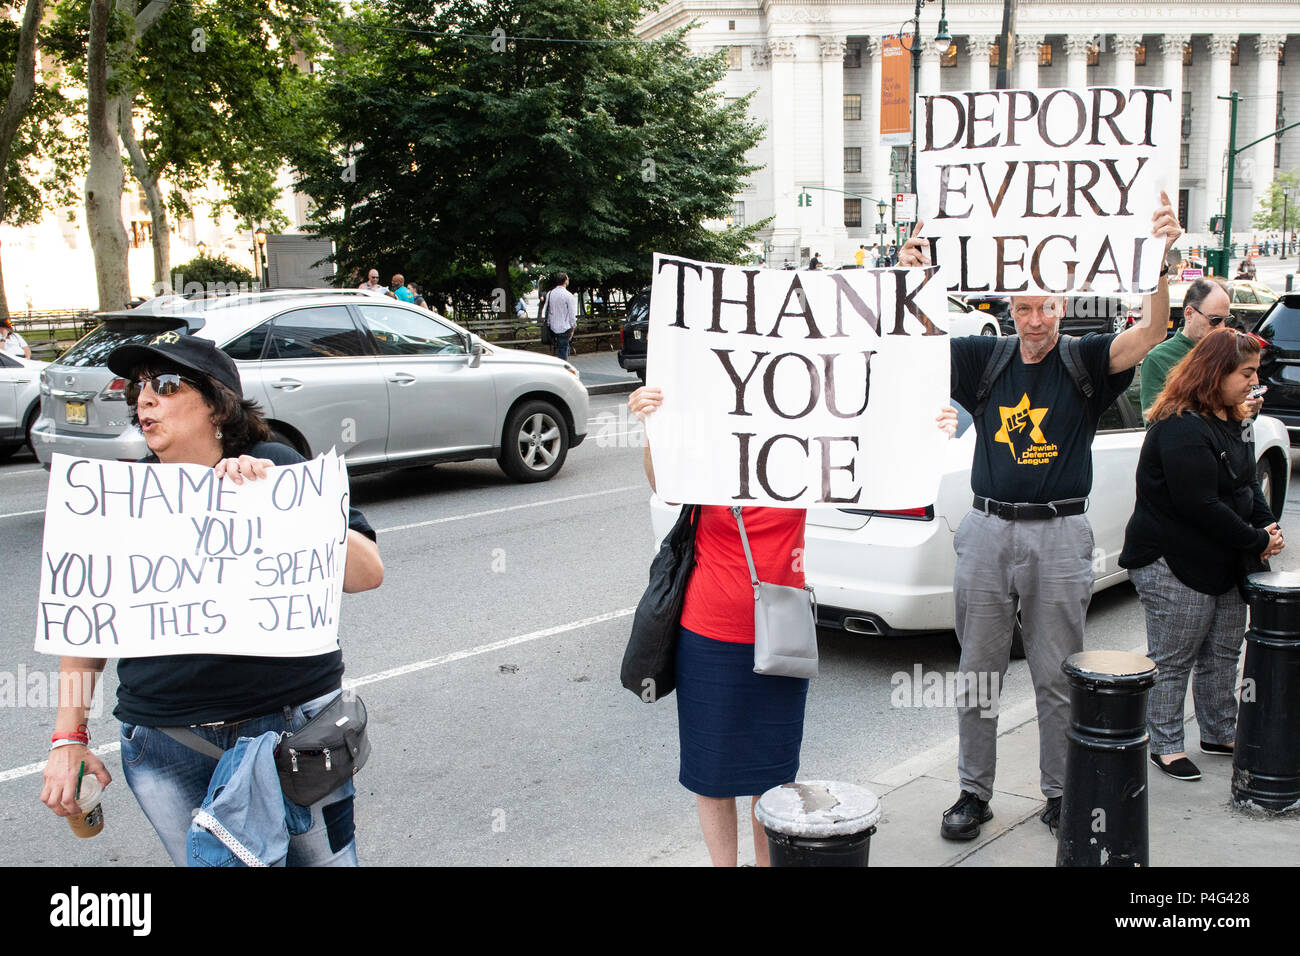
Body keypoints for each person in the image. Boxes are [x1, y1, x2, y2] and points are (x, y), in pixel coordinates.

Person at [38, 333, 384, 866]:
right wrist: (68, 739)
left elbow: (367, 574)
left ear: (217, 406)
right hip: (168, 742)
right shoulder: (122, 497)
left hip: (294, 729)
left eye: (167, 385)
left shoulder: (274, 464)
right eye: (139, 388)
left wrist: (275, 504)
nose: (145, 399)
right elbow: (86, 621)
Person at [901, 190, 1182, 840]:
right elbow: (915, 340)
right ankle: (974, 792)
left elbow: (1151, 333)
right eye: (1023, 307)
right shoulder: (983, 356)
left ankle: (1060, 792)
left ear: (1061, 305)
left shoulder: (1082, 360)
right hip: (986, 530)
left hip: (1059, 533)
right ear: (1010, 309)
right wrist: (912, 276)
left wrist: (1160, 260)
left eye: (1045, 306)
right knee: (978, 671)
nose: (1034, 319)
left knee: (1059, 673)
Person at [628, 387, 957, 866]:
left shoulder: (806, 445)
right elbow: (666, 483)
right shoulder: (711, 436)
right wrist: (651, 427)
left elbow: (887, 474)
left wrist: (931, 435)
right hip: (707, 632)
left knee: (773, 774)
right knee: (711, 771)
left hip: (782, 636)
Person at [1120, 328, 1283, 781]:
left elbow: (1247, 482)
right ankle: (1166, 743)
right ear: (1216, 373)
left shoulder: (1230, 420)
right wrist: (1256, 541)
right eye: (1246, 373)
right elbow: (1199, 504)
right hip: (1173, 560)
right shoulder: (1181, 428)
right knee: (1174, 656)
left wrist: (1269, 527)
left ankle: (1219, 731)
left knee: (1224, 651)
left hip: (1223, 557)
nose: (1255, 383)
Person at [1139, 278, 1247, 418]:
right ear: (1189, 314)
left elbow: (1239, 420)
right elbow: (1153, 420)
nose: (1222, 327)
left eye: (1226, 320)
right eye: (1215, 320)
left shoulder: (1228, 351)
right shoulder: (1159, 358)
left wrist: (1246, 407)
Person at [543, 272, 577, 361]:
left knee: (558, 349)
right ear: (565, 281)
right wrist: (573, 328)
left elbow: (546, 310)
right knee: (563, 349)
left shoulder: (550, 294)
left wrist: (549, 323)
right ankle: (562, 368)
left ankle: (559, 365)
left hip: (553, 327)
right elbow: (572, 314)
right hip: (564, 327)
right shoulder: (568, 295)